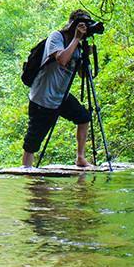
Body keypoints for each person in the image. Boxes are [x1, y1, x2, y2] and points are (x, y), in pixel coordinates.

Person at [24, 9, 96, 169]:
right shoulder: (57, 37)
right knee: (33, 142)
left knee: (84, 117)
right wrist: (76, 39)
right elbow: (62, 59)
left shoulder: (78, 45)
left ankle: (80, 158)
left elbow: (82, 75)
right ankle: (27, 172)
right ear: (72, 24)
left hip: (60, 96)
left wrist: (86, 56)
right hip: (42, 97)